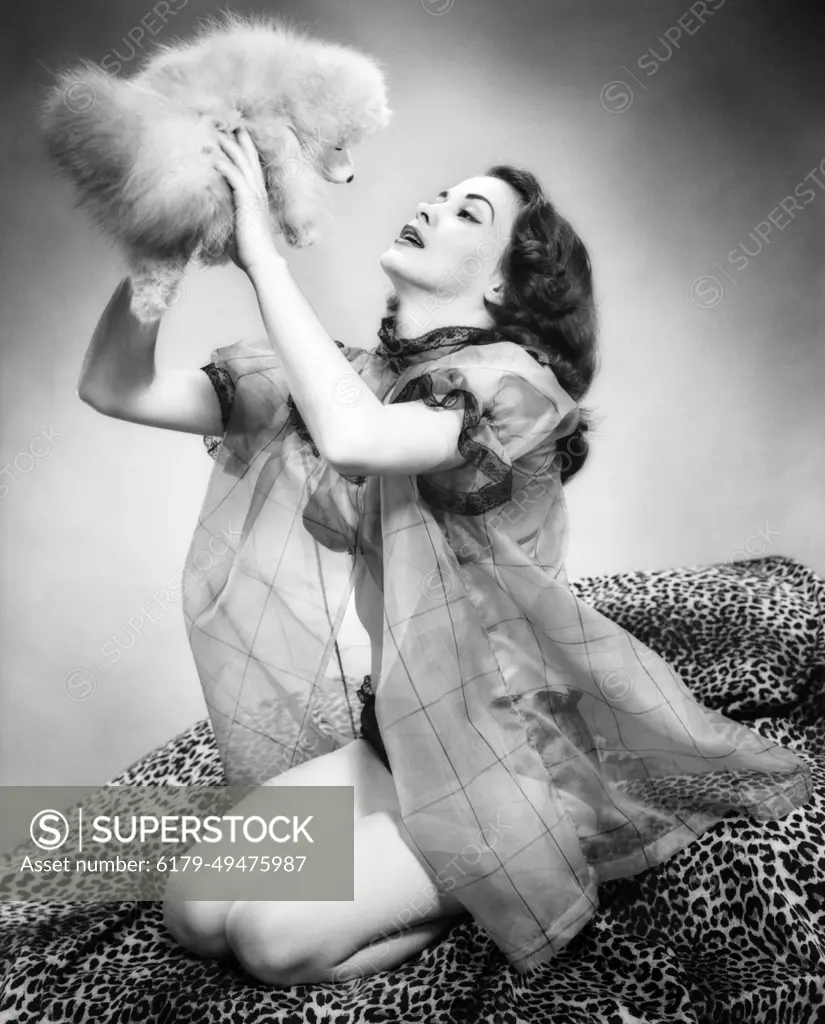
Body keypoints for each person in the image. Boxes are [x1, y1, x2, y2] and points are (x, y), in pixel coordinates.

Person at [78, 126, 813, 987]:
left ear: (504, 281)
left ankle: (487, 891)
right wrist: (161, 248)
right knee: (195, 913)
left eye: (468, 211)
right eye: (438, 195)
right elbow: (114, 388)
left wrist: (259, 253)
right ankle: (430, 875)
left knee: (274, 946)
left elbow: (354, 437)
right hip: (395, 742)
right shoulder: (342, 378)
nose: (431, 205)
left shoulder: (517, 388)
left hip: (511, 761)